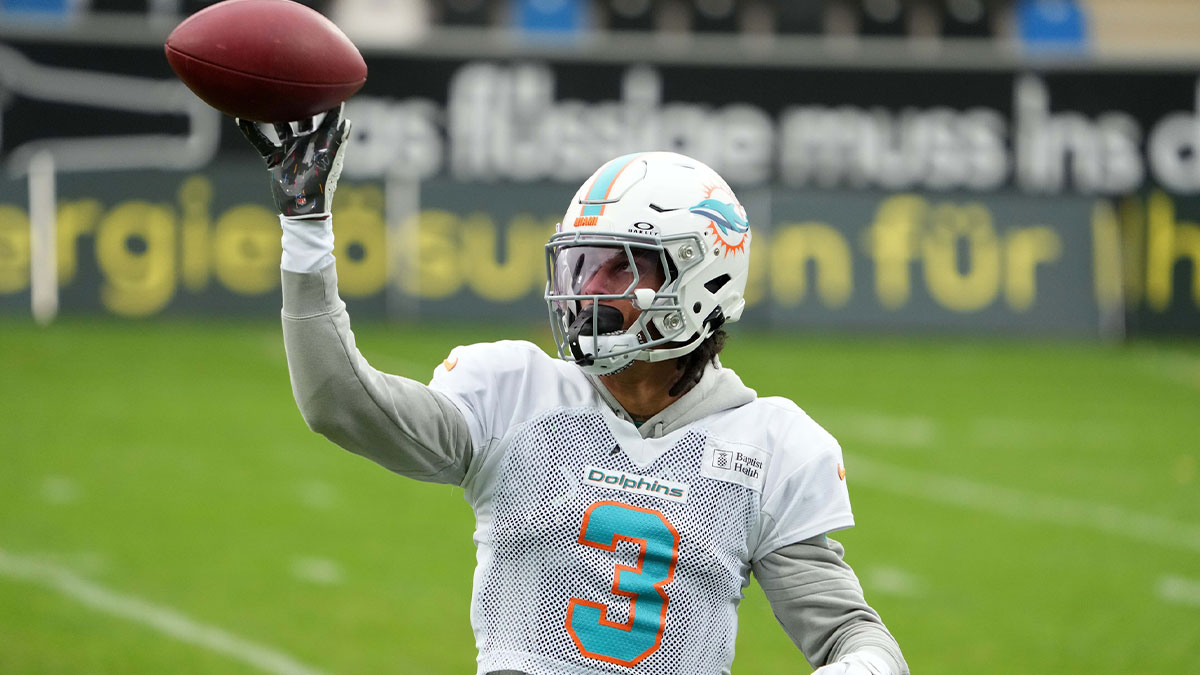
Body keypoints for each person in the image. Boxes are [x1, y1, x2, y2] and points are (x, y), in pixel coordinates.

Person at [239, 106, 909, 675]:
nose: (587, 289)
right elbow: (339, 403)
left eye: (620, 268)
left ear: (701, 281)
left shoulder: (770, 445)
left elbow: (852, 636)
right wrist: (305, 230)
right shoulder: (516, 394)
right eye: (581, 264)